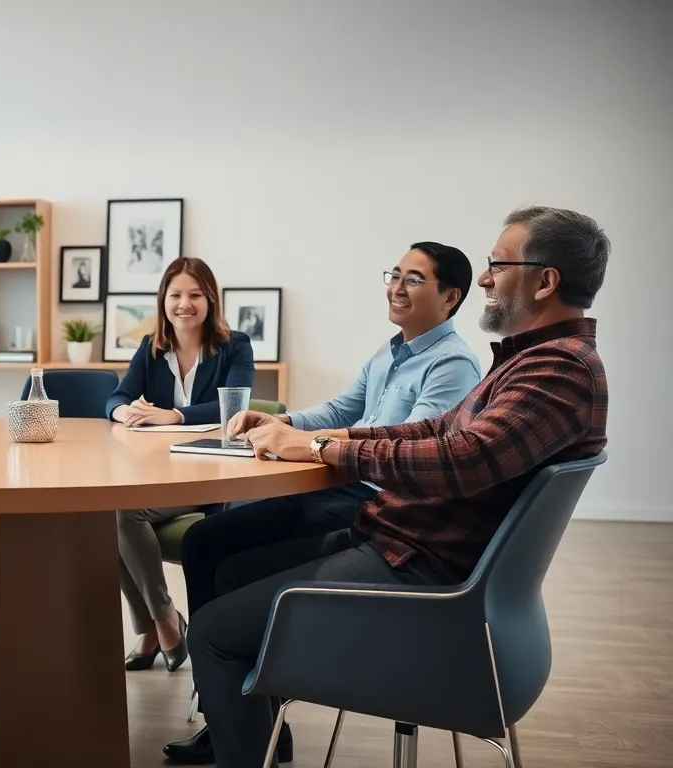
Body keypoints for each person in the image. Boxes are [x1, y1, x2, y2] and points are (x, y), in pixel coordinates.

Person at [169, 206, 610, 768]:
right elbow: (435, 428)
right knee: (227, 566)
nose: (484, 278)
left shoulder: (559, 370)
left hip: (425, 574)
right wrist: (317, 436)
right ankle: (253, 734)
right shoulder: (529, 362)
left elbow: (462, 458)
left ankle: (248, 735)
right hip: (405, 544)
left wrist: (325, 448)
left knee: (209, 630)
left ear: (546, 280)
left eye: (498, 264)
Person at [165, 241, 481, 764]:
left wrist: (310, 444)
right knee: (206, 540)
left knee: (236, 557)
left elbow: (400, 442)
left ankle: (246, 717)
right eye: (394, 274)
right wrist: (282, 422)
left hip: (379, 504)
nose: (396, 287)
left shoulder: (453, 365)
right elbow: (344, 407)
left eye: (414, 279)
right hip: (338, 486)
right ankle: (231, 714)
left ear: (451, 297)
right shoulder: (390, 350)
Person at [104, 257, 254, 672]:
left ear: (210, 300)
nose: (184, 304)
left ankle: (162, 625)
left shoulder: (234, 346)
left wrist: (176, 415)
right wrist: (125, 412)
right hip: (157, 475)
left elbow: (234, 403)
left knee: (123, 512)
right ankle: (159, 623)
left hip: (210, 478)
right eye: (175, 295)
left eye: (194, 295)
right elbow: (116, 398)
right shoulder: (151, 348)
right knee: (107, 515)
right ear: (163, 301)